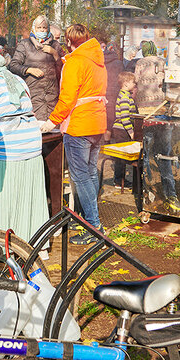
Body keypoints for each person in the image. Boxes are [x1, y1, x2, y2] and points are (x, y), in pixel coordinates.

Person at [0, 46, 48, 242]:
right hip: (32, 141)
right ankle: (35, 242)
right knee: (30, 197)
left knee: (2, 197)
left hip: (7, 145)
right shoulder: (18, 79)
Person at [40, 24, 107, 245]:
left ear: (69, 41)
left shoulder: (76, 62)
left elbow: (67, 99)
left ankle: (93, 225)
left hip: (79, 126)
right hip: (97, 124)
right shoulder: (97, 60)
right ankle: (90, 219)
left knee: (81, 177)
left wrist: (51, 122)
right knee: (90, 173)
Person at [8, 15, 62, 121]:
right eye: (39, 28)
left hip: (52, 96)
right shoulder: (25, 44)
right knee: (37, 127)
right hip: (34, 93)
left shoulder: (55, 45)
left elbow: (62, 70)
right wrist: (28, 70)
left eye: (44, 27)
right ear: (34, 28)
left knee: (53, 129)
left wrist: (55, 54)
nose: (42, 30)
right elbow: (13, 65)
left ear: (48, 29)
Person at [111, 71, 138, 189]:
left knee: (122, 156)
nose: (135, 84)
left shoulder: (126, 95)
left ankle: (120, 179)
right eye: (133, 82)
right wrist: (131, 132)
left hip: (122, 129)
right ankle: (119, 180)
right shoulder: (125, 98)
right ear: (126, 83)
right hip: (122, 130)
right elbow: (125, 117)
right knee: (121, 156)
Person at [133, 41, 166, 109]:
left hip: (143, 99)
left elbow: (136, 79)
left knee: (144, 118)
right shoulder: (162, 61)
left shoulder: (140, 62)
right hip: (159, 98)